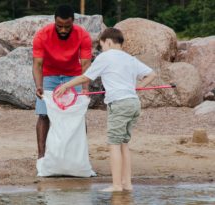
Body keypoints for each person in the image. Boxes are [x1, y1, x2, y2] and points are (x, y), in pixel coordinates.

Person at [55, 28, 157, 192]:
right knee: (124, 144)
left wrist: (66, 85)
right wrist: (138, 87)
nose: (102, 49)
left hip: (119, 104)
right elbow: (151, 74)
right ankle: (127, 184)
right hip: (133, 103)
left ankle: (117, 186)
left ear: (108, 42)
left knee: (114, 144)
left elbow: (85, 77)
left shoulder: (105, 57)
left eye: (102, 46)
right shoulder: (130, 59)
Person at [32, 4, 92, 159]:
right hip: (49, 76)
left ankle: (79, 156)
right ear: (54, 22)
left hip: (74, 76)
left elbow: (85, 64)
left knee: (77, 116)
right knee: (44, 114)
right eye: (60, 26)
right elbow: (37, 64)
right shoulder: (42, 35)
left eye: (67, 26)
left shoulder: (83, 35)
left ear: (73, 22)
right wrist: (39, 86)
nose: (63, 30)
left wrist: (85, 88)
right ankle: (41, 156)